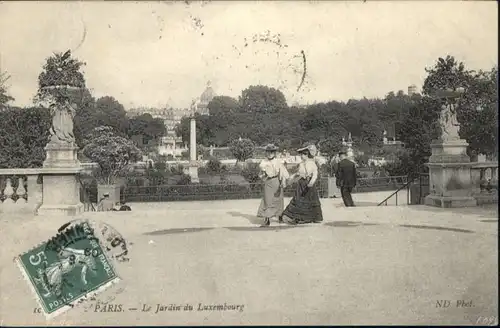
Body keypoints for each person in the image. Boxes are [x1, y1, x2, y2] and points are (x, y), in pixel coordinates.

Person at [282, 144, 323, 224]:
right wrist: (291, 178)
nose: (301, 156)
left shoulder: (312, 164)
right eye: (301, 154)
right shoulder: (300, 164)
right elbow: (298, 173)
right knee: (298, 199)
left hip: (309, 185)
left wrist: (311, 182)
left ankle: (312, 217)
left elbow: (315, 174)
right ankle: (298, 217)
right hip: (301, 184)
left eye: (303, 154)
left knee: (310, 200)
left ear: (307, 155)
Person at [257, 144, 289, 227]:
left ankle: (280, 216)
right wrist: (263, 175)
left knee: (279, 199)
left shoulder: (278, 161)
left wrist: (283, 181)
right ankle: (267, 219)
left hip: (277, 181)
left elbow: (282, 172)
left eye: (271, 152)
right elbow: (261, 174)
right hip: (268, 182)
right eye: (268, 152)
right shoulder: (263, 162)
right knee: (267, 200)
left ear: (274, 153)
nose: (269, 154)